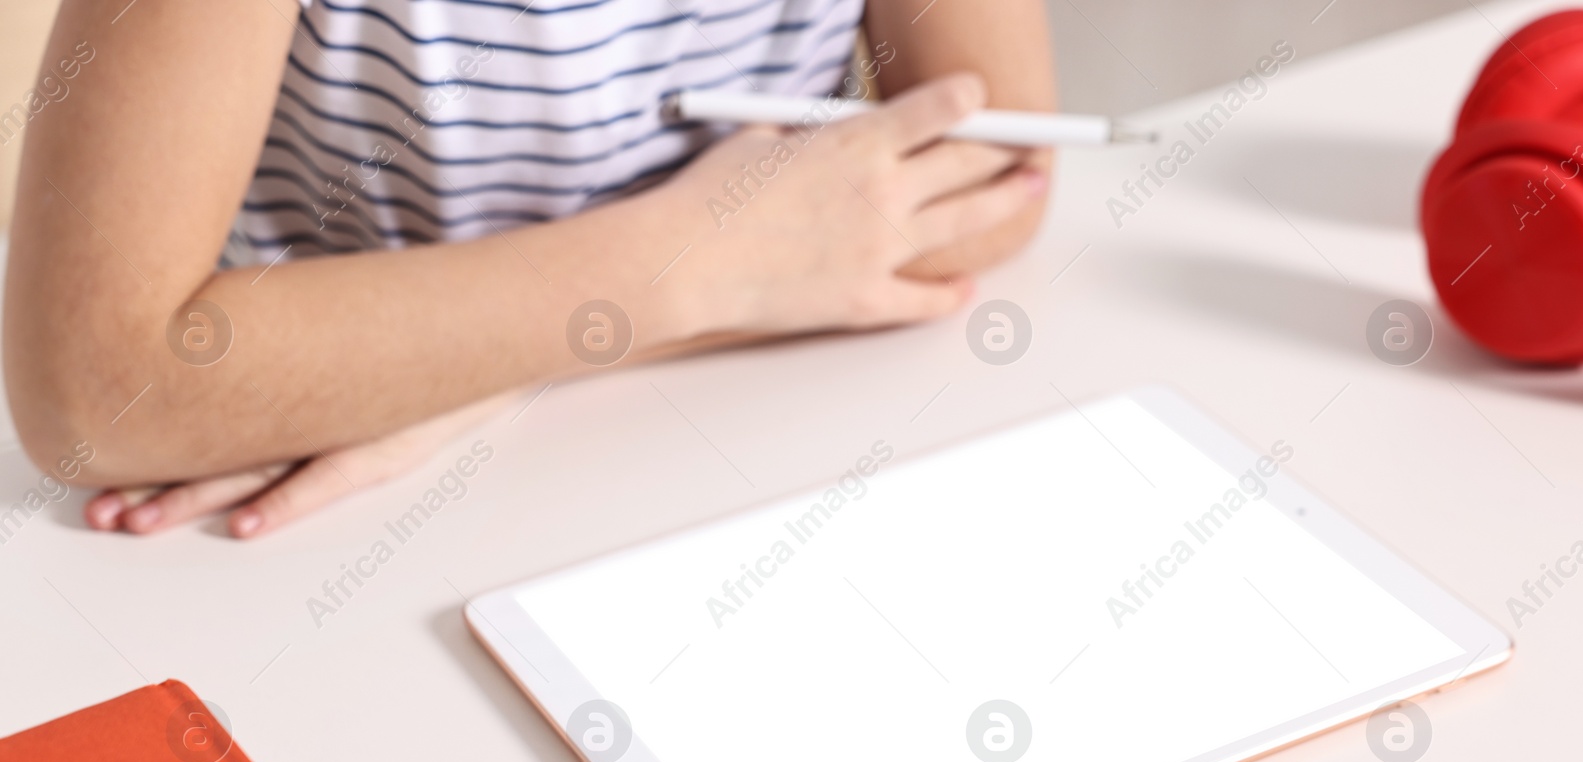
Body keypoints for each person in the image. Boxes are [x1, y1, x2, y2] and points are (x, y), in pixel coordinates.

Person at [4, 0, 1054, 537]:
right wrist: (681, 270)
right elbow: (99, 388)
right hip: (327, 532)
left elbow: (992, 174)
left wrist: (499, 357)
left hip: (718, 454)